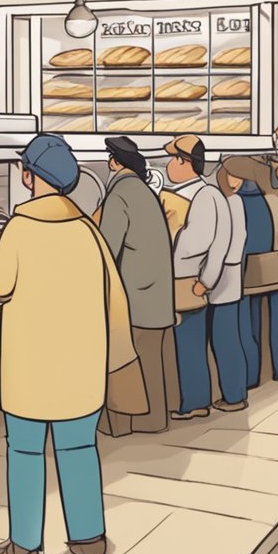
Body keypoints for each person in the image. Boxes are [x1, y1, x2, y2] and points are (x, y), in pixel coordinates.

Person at [0, 134, 135, 554]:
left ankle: (24, 545)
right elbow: (110, 293)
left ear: (28, 176)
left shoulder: (20, 229)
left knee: (25, 452)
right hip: (81, 366)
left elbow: (1, 285)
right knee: (79, 449)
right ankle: (88, 537)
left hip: (31, 367)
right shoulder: (86, 230)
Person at [97, 136, 179, 434]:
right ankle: (154, 420)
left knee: (126, 362)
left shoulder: (119, 194)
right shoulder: (145, 192)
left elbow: (107, 247)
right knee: (152, 360)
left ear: (115, 162)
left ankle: (122, 425)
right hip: (157, 293)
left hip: (134, 296)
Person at [168, 135, 248, 418]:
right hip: (208, 282)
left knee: (195, 342)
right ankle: (218, 398)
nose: (168, 165)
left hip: (200, 283)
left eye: (172, 159)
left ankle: (200, 402)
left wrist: (206, 281)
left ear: (184, 161)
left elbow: (204, 242)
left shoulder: (203, 196)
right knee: (213, 341)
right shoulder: (208, 194)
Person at [225, 156, 278, 386]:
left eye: (230, 173)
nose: (226, 178)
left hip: (250, 272)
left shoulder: (238, 203)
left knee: (248, 327)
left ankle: (251, 376)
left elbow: (243, 243)